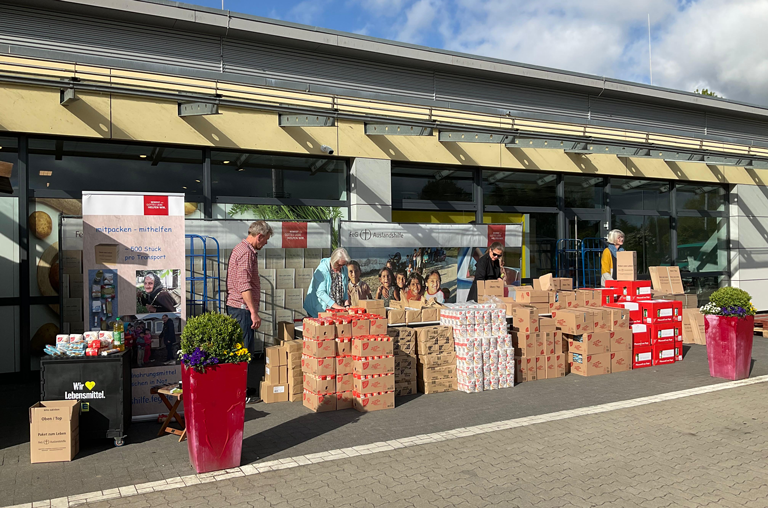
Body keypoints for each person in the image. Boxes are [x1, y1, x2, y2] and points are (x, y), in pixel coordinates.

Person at [226, 220, 273, 350]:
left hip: (239, 308)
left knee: (241, 350)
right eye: (266, 239)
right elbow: (244, 284)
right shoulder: (246, 252)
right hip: (242, 309)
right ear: (259, 236)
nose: (266, 243)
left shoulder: (242, 249)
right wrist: (253, 312)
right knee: (244, 351)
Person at [304, 248, 351, 317]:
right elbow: (320, 293)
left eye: (343, 265)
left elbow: (344, 288)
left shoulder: (344, 269)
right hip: (319, 308)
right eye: (339, 265)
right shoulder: (322, 269)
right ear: (333, 260)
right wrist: (337, 306)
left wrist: (346, 304)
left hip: (334, 308)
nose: (341, 267)